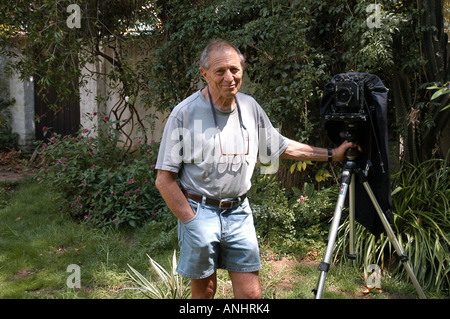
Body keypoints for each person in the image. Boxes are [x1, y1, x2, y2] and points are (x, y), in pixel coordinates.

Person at [155, 39, 356, 299]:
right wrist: (190, 222)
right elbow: (164, 179)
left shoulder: (250, 107)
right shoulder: (184, 114)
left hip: (239, 212)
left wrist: (332, 154)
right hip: (200, 211)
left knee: (251, 296)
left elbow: (280, 147)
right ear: (204, 74)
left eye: (235, 69)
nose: (230, 77)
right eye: (220, 71)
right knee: (205, 293)